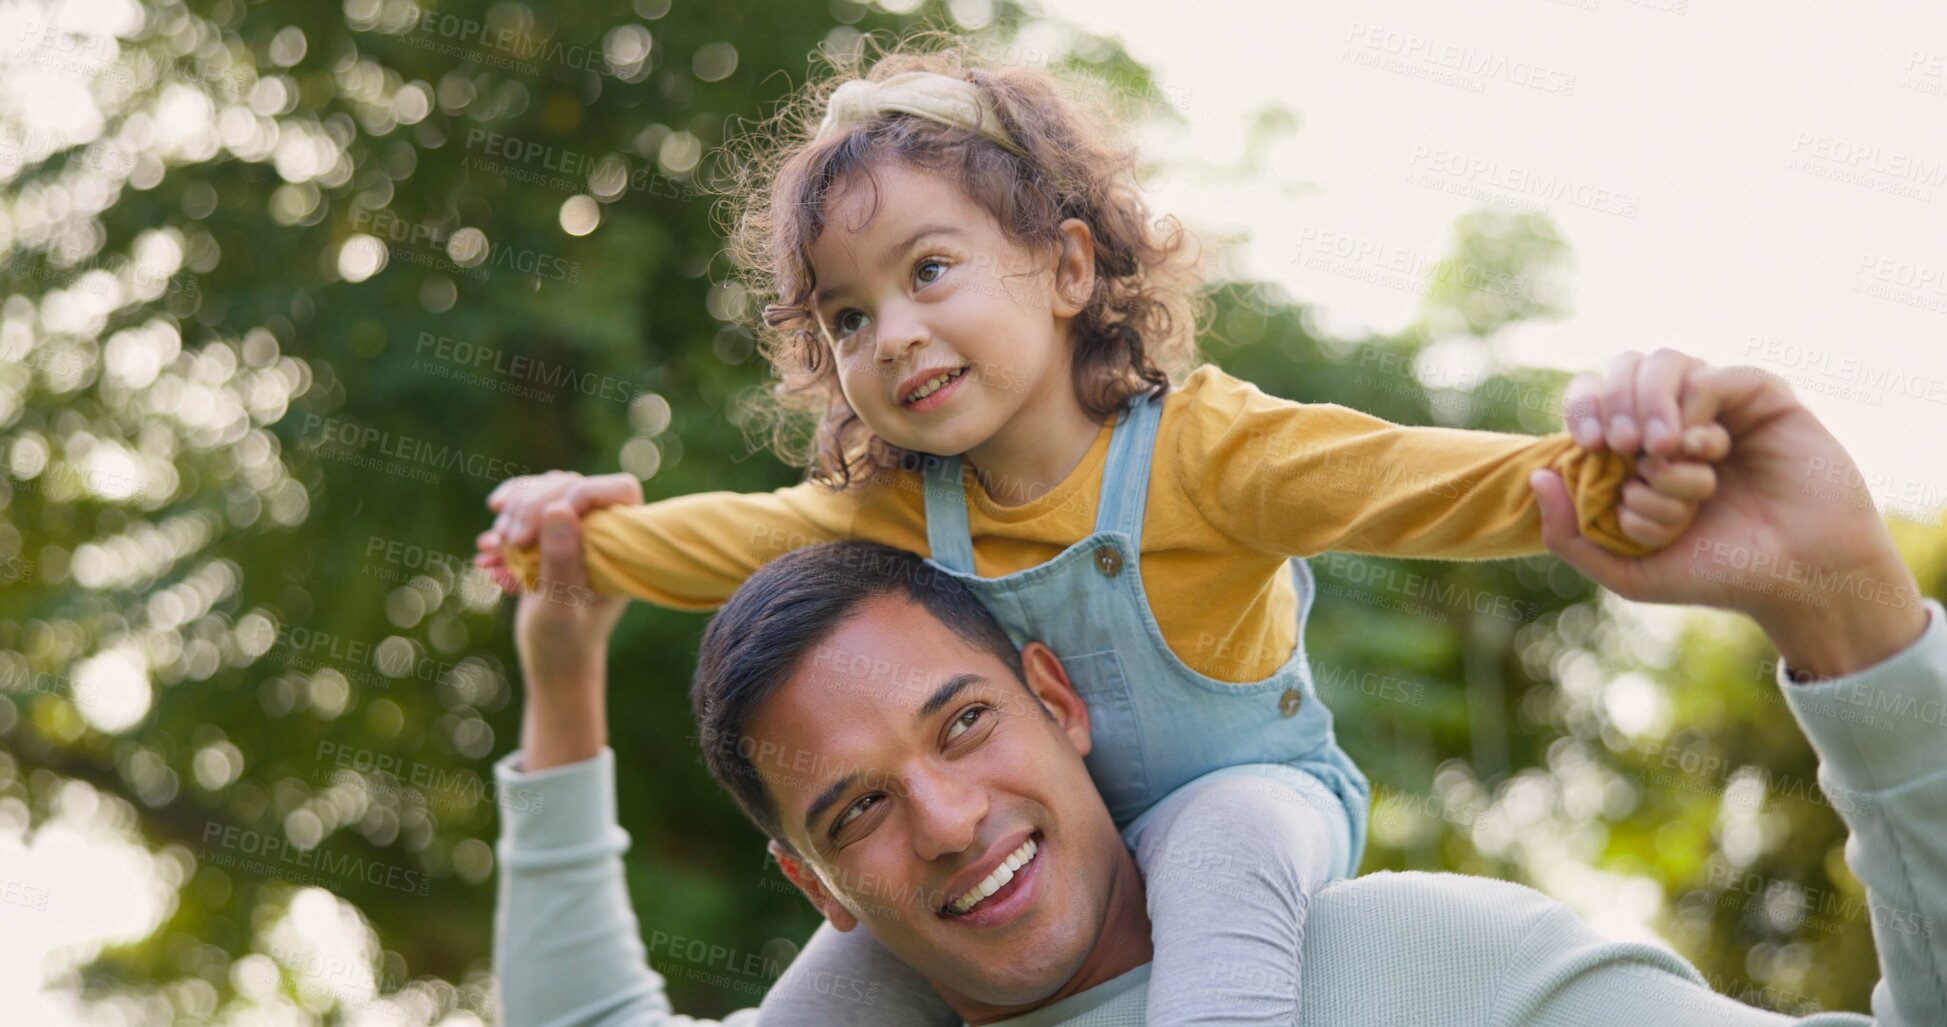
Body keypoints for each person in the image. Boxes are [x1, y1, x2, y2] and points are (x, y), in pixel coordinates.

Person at [473, 42, 1729, 1027]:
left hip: (1254, 800)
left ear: (1068, 267)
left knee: (1220, 853)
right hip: (1024, 865)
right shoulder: (902, 509)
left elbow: (1407, 481)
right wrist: (570, 545)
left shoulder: (1208, 451)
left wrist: (1610, 479)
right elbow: (733, 540)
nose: (893, 335)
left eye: (928, 271)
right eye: (846, 319)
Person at [491, 352, 1941, 1025]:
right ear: (812, 885)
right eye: (857, 804)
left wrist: (1853, 616)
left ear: (1056, 696)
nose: (940, 816)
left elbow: (1400, 477)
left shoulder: (1435, 971)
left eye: (963, 720)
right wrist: (562, 664)